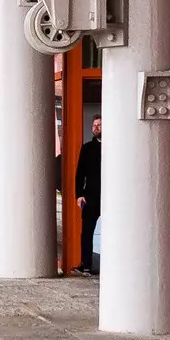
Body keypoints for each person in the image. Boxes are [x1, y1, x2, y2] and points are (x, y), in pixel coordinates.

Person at [74, 114, 102, 275]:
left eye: (99, 124)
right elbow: (80, 174)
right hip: (91, 196)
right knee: (87, 231)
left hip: (113, 196)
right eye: (94, 125)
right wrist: (79, 195)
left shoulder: (115, 146)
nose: (96, 128)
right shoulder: (87, 148)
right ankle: (86, 265)